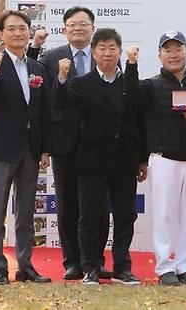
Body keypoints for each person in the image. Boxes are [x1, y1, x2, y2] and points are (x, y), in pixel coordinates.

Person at [53, 28, 146, 285]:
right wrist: (61, 77)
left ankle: (122, 268)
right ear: (93, 52)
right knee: (91, 217)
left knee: (125, 216)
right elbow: (60, 104)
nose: (107, 53)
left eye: (112, 48)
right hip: (92, 160)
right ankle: (91, 267)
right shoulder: (80, 84)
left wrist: (142, 159)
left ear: (119, 51)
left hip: (124, 161)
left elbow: (139, 122)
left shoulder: (131, 82)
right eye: (102, 48)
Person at [27, 6, 112, 281]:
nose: (78, 28)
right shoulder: (51, 58)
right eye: (72, 24)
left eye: (84, 24)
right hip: (63, 141)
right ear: (65, 29)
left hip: (98, 142)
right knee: (67, 203)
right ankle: (73, 262)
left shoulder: (106, 57)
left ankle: (96, 261)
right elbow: (41, 98)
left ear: (93, 28)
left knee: (98, 204)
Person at [0, 10, 52, 285]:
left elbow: (43, 112)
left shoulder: (37, 68)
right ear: (2, 34)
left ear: (29, 32)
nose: (18, 33)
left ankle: (25, 266)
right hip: (1, 150)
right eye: (11, 29)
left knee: (26, 213)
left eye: (22, 28)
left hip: (30, 151)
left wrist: (44, 149)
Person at [141, 30, 186, 286]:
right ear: (159, 55)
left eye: (178, 49)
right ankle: (165, 267)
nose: (173, 54)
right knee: (164, 215)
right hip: (164, 158)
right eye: (167, 50)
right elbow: (138, 122)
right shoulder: (149, 86)